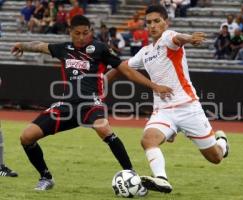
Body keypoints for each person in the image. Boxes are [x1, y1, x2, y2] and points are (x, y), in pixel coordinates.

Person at [11, 15, 172, 191]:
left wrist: (153, 85)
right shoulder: (63, 49)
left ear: (91, 32)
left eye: (85, 33)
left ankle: (131, 175)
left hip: (91, 103)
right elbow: (40, 46)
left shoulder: (100, 49)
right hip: (66, 105)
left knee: (103, 128)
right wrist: (22, 45)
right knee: (26, 137)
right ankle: (46, 177)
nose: (81, 37)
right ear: (69, 32)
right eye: (77, 33)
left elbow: (125, 69)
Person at [107, 5, 229, 193]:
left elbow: (178, 38)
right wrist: (101, 81)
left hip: (188, 108)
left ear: (166, 22)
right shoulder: (145, 52)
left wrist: (189, 39)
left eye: (157, 21)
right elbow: (122, 67)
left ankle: (222, 142)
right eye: (148, 23)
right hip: (163, 111)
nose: (153, 25)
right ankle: (162, 179)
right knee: (148, 140)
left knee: (215, 158)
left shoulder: (167, 38)